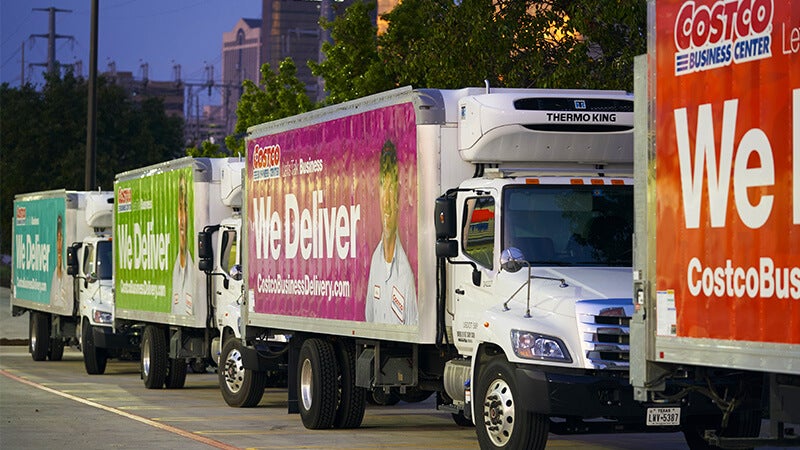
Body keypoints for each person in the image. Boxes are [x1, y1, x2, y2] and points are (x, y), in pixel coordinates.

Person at [365, 141, 418, 325]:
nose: (387, 202)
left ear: (398, 200)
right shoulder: (375, 263)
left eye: (392, 191)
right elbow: (369, 320)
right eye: (383, 190)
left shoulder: (406, 274)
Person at [172, 171, 194, 316]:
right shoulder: (176, 269)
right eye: (179, 207)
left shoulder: (194, 269)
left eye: (184, 206)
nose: (181, 218)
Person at [50, 214, 66, 308]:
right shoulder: (55, 274)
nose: (59, 245)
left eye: (61, 239)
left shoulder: (67, 275)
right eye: (58, 239)